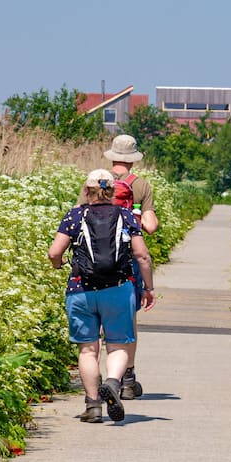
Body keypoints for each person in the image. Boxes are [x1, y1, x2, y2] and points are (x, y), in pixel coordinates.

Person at [49, 169, 156, 423]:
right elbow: (142, 256)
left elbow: (55, 252)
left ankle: (93, 405)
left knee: (88, 350)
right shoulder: (128, 216)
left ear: (86, 191)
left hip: (81, 290)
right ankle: (112, 381)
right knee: (117, 344)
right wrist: (149, 289)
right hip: (118, 289)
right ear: (113, 193)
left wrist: (59, 263)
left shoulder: (75, 216)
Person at [77, 134, 160, 400]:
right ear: (133, 160)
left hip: (89, 263)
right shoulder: (141, 185)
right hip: (127, 261)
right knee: (126, 320)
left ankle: (94, 382)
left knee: (93, 321)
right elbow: (151, 225)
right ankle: (126, 378)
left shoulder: (92, 182)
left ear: (112, 156)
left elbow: (78, 215)